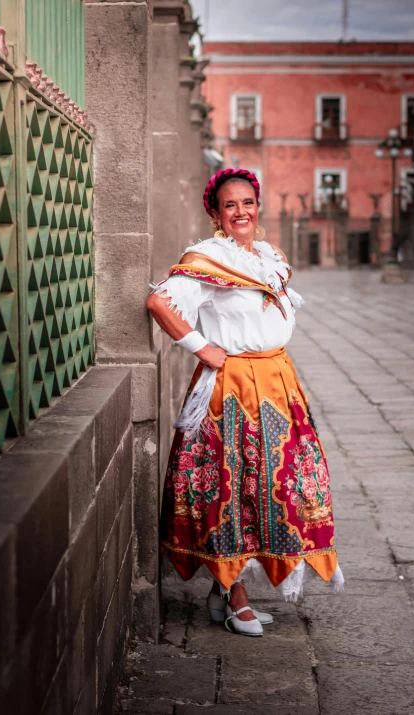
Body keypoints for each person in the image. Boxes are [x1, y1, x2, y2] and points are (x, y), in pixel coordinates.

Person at [147, 168, 344, 637]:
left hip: (278, 382)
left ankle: (223, 591)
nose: (240, 212)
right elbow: (159, 304)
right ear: (215, 212)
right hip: (231, 386)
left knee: (286, 482)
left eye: (247, 203)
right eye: (229, 205)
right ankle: (236, 596)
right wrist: (200, 345)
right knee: (232, 487)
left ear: (259, 207)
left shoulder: (268, 257)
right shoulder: (207, 258)